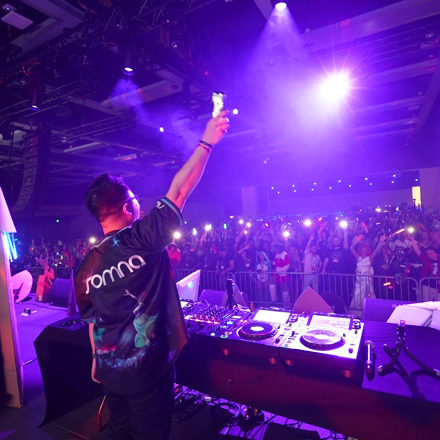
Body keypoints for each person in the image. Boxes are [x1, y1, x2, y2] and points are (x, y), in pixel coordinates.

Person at [75, 111, 229, 440]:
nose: (139, 205)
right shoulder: (142, 238)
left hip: (110, 370)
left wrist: (96, 358)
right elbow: (179, 191)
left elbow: (92, 320)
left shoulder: (84, 267)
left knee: (119, 432)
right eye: (135, 199)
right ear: (126, 208)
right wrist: (207, 141)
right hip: (146, 372)